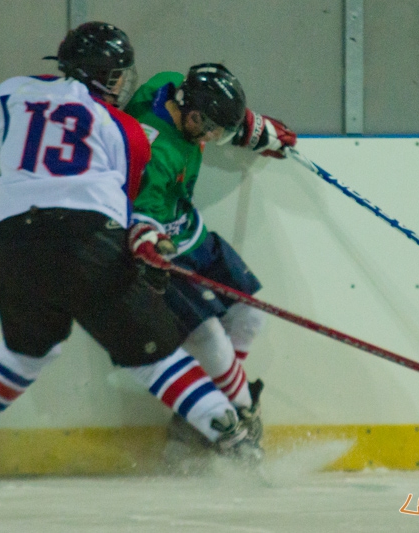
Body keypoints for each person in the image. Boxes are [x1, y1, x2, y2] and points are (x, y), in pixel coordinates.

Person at [0, 23, 259, 475]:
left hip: (10, 243)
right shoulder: (123, 128)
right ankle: (234, 441)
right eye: (118, 74)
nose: (124, 83)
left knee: (27, 348)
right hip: (85, 242)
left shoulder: (10, 92)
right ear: (101, 76)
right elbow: (120, 199)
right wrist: (146, 242)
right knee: (155, 356)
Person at [124, 63, 297, 465]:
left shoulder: (170, 85)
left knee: (250, 315)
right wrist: (149, 243)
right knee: (209, 337)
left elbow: (210, 108)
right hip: (158, 249)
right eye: (211, 129)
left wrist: (251, 129)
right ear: (193, 114)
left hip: (191, 233)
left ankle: (201, 418)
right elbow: (139, 216)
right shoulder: (156, 152)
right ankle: (238, 419)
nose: (213, 138)